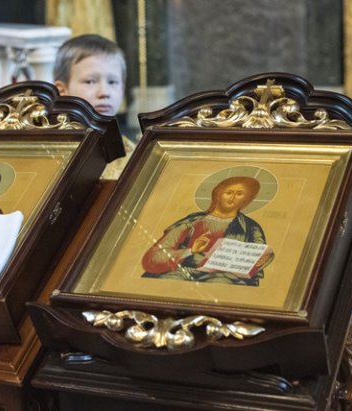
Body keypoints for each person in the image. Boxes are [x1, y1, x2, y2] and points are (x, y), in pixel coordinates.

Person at [141, 176, 270, 286]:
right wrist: (190, 251)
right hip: (181, 271)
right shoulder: (191, 222)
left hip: (225, 277)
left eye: (240, 194)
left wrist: (261, 260)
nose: (233, 197)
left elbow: (260, 255)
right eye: (229, 192)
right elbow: (153, 258)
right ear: (218, 194)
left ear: (246, 199)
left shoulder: (250, 227)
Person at [52, 33, 135, 179]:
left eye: (112, 82)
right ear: (62, 90)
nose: (104, 93)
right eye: (90, 82)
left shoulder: (134, 155)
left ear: (122, 89)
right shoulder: (49, 152)